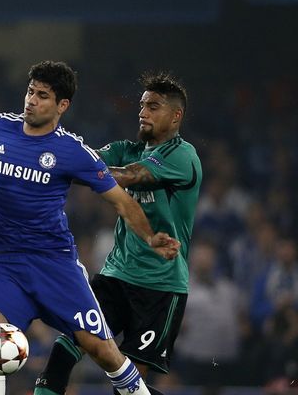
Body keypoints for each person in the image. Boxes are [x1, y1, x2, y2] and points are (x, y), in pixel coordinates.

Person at [0, 61, 181, 395]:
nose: (31, 101)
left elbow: (122, 201)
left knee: (102, 350)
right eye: (30, 92)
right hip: (3, 261)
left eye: (43, 96)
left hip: (55, 264)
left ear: (62, 105)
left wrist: (151, 237)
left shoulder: (73, 151)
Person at [36, 71, 202, 395]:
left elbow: (128, 176)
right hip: (115, 276)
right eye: (142, 105)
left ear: (176, 115)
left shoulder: (183, 156)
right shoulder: (126, 148)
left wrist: (77, 169)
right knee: (66, 346)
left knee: (126, 388)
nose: (143, 112)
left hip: (160, 286)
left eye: (153, 106)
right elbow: (85, 160)